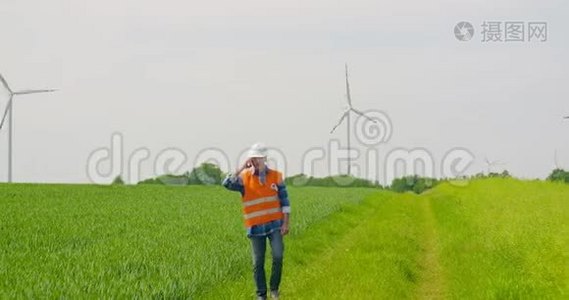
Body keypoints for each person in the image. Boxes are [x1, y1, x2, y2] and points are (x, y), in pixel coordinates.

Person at [222, 143, 290, 300]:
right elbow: (226, 184)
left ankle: (274, 289)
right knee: (257, 263)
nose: (255, 161)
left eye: (258, 158)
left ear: (264, 159)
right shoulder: (243, 178)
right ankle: (261, 295)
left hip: (275, 225)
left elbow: (285, 202)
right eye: (253, 158)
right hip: (255, 228)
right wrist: (240, 168)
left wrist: (286, 223)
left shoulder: (276, 176)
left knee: (278, 256)